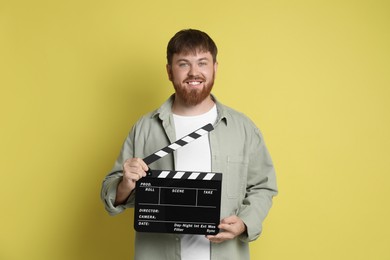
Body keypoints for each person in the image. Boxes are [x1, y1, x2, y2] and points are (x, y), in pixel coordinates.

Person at [101, 29, 278, 260]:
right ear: (169, 71)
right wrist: (126, 183)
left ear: (214, 68)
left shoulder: (243, 129)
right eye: (183, 64)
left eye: (202, 63)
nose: (194, 72)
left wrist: (245, 222)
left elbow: (263, 186)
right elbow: (110, 194)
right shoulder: (145, 128)